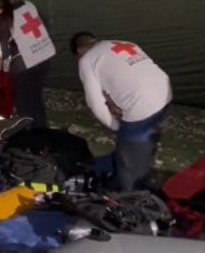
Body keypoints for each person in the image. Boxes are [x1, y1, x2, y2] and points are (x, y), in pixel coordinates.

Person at [70, 31, 172, 192]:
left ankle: (131, 199)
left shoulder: (86, 60)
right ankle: (133, 176)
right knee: (141, 147)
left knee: (128, 165)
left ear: (78, 52)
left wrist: (117, 127)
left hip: (141, 105)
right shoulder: (124, 42)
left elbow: (95, 103)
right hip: (165, 95)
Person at [0, 0, 56, 129]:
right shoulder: (27, 4)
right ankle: (43, 129)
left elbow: (4, 53)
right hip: (46, 55)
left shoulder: (2, 21)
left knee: (23, 102)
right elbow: (46, 24)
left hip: (24, 66)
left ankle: (33, 134)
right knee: (36, 97)